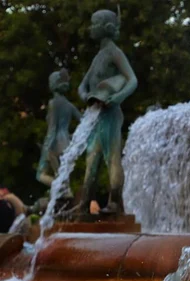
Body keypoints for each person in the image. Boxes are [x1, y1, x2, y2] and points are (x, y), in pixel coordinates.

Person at [76, 9, 138, 214]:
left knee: (112, 158)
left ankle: (114, 202)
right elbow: (82, 85)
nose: (91, 28)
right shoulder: (98, 56)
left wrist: (118, 97)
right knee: (91, 160)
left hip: (110, 113)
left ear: (106, 28)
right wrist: (85, 95)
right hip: (97, 114)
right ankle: (84, 204)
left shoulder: (114, 52)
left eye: (95, 24)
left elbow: (132, 80)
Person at [37, 69, 81, 189]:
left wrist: (46, 148)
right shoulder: (69, 105)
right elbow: (83, 122)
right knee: (63, 177)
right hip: (66, 144)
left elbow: (52, 129)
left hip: (55, 144)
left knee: (40, 175)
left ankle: (61, 188)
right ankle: (63, 192)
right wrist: (73, 136)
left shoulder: (53, 103)